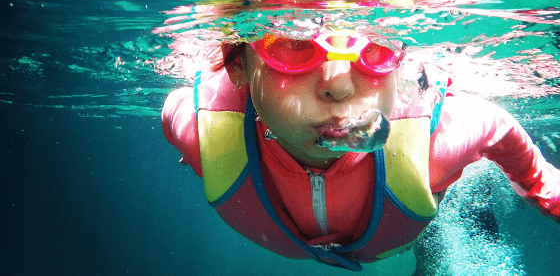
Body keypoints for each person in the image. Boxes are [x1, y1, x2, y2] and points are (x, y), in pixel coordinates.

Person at [160, 30, 560, 272]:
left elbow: (498, 126)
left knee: (445, 236)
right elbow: (173, 110)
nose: (339, 86)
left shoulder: (432, 143)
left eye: (374, 46)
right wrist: (201, 156)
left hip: (416, 200)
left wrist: (544, 190)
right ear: (237, 67)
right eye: (295, 44)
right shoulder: (203, 131)